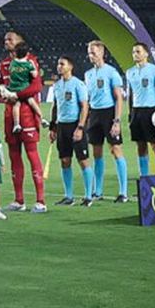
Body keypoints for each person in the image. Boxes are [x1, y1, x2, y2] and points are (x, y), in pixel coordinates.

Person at [0, 31, 47, 214]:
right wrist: (2, 92)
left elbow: (36, 86)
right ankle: (19, 200)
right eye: (5, 39)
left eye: (10, 39)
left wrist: (16, 95)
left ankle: (40, 201)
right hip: (10, 114)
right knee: (14, 155)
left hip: (26, 112)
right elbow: (2, 84)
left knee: (32, 153)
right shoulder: (4, 64)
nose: (7, 41)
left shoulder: (30, 60)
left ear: (20, 42)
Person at [84, 41, 130, 203]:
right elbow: (88, 99)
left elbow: (119, 98)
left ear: (102, 53)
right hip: (94, 115)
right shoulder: (88, 74)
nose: (91, 56)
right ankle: (98, 191)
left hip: (109, 113)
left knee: (115, 150)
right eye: (89, 53)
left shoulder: (112, 72)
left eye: (94, 53)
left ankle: (123, 192)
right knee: (96, 153)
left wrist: (116, 121)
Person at [49, 56, 94, 207]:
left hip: (76, 125)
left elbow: (84, 107)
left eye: (62, 64)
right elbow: (55, 106)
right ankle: (69, 196)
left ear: (70, 66)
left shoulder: (78, 84)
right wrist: (53, 127)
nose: (59, 66)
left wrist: (80, 127)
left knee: (83, 161)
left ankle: (88, 196)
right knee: (65, 160)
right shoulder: (57, 86)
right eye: (58, 64)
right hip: (62, 126)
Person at [125, 42, 155, 176]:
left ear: (146, 54)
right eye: (133, 52)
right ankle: (145, 180)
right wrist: (130, 113)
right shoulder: (130, 72)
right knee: (140, 148)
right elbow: (131, 95)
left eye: (138, 51)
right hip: (136, 112)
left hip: (151, 112)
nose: (135, 54)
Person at [5, 42, 46, 133]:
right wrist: (34, 67)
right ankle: (42, 118)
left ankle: (16, 124)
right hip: (24, 89)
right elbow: (35, 75)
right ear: (27, 53)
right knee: (32, 103)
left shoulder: (12, 63)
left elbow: (10, 71)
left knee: (16, 105)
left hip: (14, 89)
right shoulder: (28, 64)